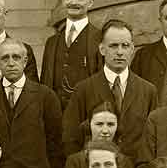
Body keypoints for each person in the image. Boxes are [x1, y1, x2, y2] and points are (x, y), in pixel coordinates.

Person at [62, 19, 157, 160]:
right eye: (113, 46)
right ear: (102, 49)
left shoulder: (148, 91)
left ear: (132, 49)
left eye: (125, 46)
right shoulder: (84, 89)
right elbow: (70, 138)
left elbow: (153, 139)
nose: (120, 52)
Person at [0, 38, 62, 168]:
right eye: (5, 58)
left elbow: (55, 144)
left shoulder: (45, 96)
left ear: (25, 61)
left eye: (16, 57)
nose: (11, 63)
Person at [40, 0, 103, 110]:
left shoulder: (100, 39)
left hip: (87, 113)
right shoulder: (52, 42)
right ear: (63, 0)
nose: (73, 2)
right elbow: (45, 84)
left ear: (90, 3)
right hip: (56, 115)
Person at [61, 101, 138, 168]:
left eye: (110, 124)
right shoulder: (75, 161)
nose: (105, 131)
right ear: (89, 124)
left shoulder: (125, 162)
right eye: (99, 124)